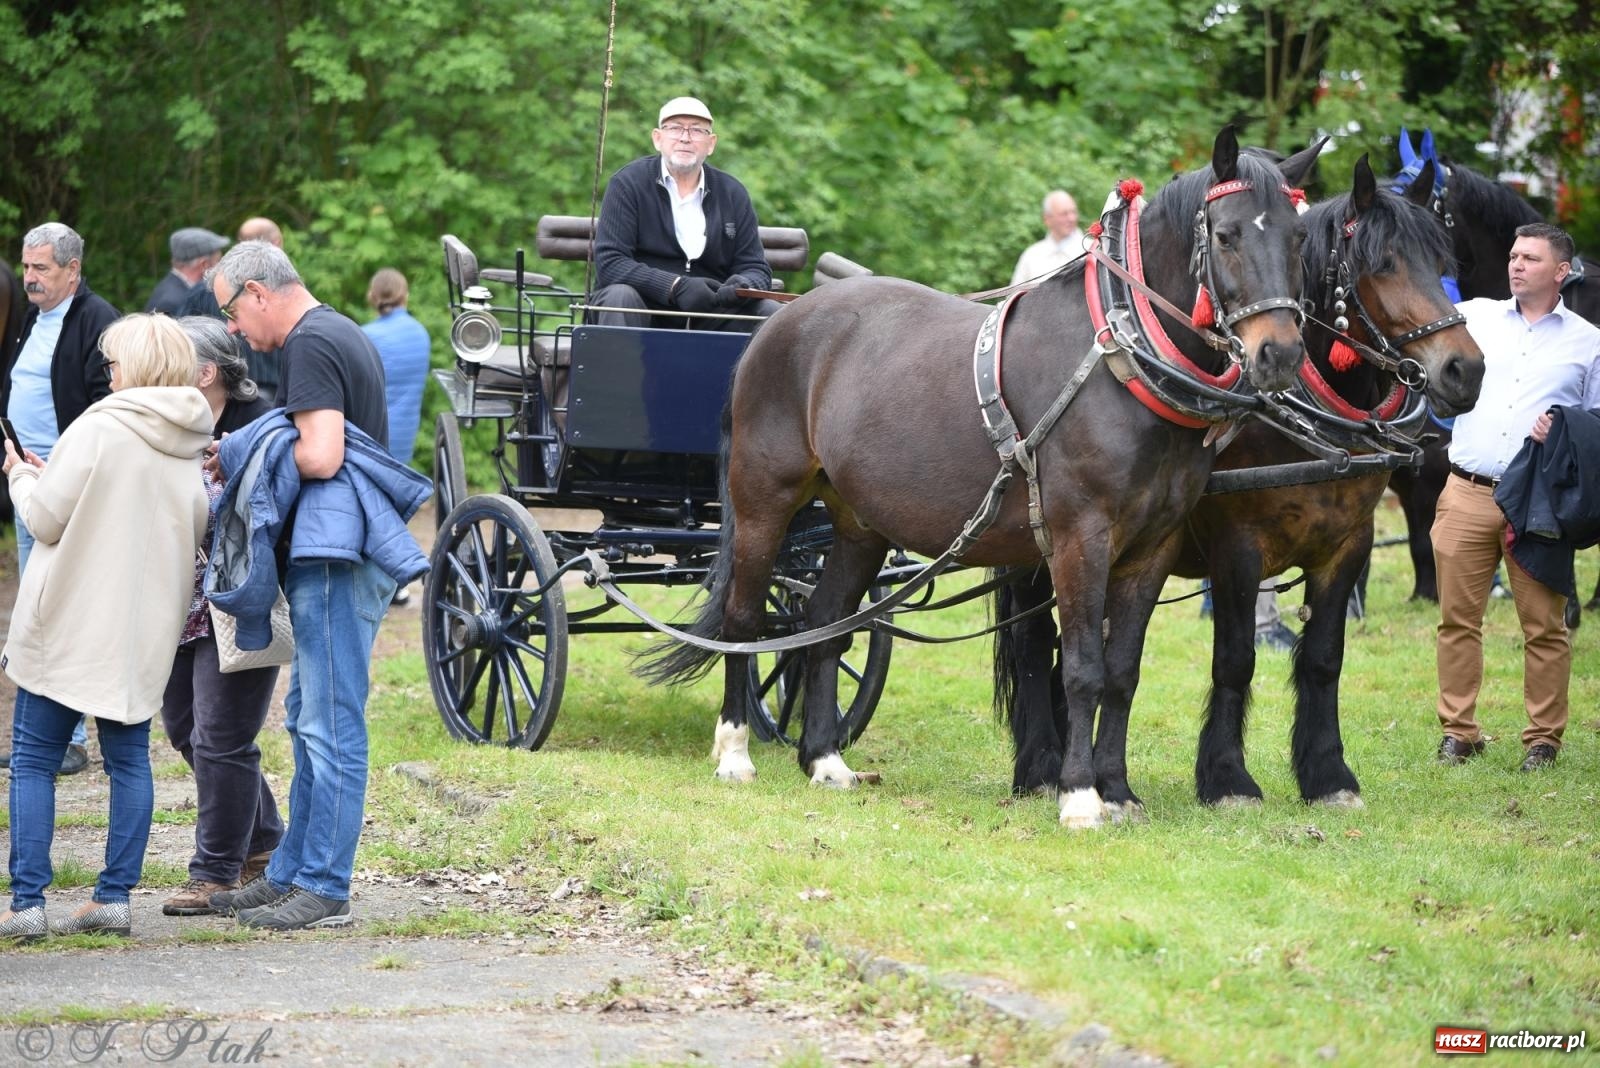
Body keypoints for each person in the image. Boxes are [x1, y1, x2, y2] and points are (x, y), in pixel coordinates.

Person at [204, 240, 428, 931]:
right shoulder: (337, 331)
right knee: (307, 720)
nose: (236, 329)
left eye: (233, 312)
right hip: (336, 556)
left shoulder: (310, 343)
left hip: (334, 559)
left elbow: (322, 452)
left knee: (330, 726)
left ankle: (326, 887)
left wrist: (255, 449)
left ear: (258, 292)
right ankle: (290, 873)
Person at [0, 314, 212, 941]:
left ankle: (27, 904)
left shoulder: (99, 426)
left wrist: (19, 474)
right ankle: (113, 898)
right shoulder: (190, 436)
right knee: (129, 761)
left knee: (34, 760)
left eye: (114, 363)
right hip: (141, 625)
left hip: (71, 617)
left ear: (137, 367)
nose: (108, 373)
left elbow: (44, 519)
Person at [1433, 222, 1600, 771]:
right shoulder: (1476, 317)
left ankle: (1543, 740)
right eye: (1513, 255)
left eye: (1530, 257)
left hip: (1538, 501)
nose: (1516, 264)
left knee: (1544, 627)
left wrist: (1567, 428)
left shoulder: (1588, 341)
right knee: (1458, 620)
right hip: (1466, 490)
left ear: (1561, 271)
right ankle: (1459, 731)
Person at [157, 317, 282, 917]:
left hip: (234, 605)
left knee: (221, 739)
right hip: (175, 607)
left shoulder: (254, 432)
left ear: (206, 373)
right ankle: (262, 839)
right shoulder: (164, 429)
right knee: (185, 728)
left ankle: (215, 873)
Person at [0, 222, 120, 777]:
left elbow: (108, 405)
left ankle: (69, 740)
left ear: (73, 269)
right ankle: (48, 738)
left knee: (58, 609)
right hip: (29, 482)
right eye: (26, 267)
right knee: (35, 608)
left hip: (66, 488)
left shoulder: (98, 321)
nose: (29, 278)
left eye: (41, 268)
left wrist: (68, 466)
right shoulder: (33, 318)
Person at [591, 96, 780, 331]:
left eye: (697, 130)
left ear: (711, 144)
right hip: (644, 309)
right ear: (657, 138)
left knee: (770, 312)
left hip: (712, 312)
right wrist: (675, 286)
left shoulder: (733, 192)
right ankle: (620, 369)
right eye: (675, 128)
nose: (685, 137)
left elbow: (757, 268)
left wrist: (743, 284)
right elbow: (611, 263)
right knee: (620, 299)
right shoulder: (628, 183)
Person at [1010, 190, 1086, 287]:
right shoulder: (1031, 256)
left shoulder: (1092, 251)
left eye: (1073, 212)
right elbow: (1013, 297)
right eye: (1064, 214)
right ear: (1047, 219)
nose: (1071, 218)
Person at [146, 228, 229, 315]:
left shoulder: (173, 291)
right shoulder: (171, 303)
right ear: (204, 264)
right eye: (218, 261)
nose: (220, 268)